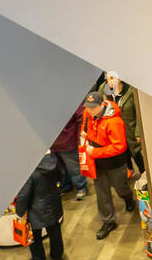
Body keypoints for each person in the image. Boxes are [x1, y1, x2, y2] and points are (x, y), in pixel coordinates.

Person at [81, 90, 135, 239]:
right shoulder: (88, 115)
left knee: (120, 187)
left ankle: (128, 197)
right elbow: (85, 129)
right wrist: (84, 135)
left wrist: (96, 152)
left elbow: (119, 146)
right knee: (102, 192)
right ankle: (108, 221)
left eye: (92, 107)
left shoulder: (114, 121)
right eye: (87, 107)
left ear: (101, 105)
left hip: (115, 163)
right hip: (96, 163)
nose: (89, 110)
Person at [14, 152, 66, 260]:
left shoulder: (30, 171)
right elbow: (61, 176)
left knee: (35, 237)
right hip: (53, 203)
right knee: (55, 230)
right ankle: (57, 256)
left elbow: (23, 195)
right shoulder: (53, 161)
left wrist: (19, 212)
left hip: (35, 209)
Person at [98, 72, 142, 172]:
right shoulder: (103, 89)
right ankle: (129, 170)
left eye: (113, 78)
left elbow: (139, 113)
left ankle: (145, 175)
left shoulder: (131, 91)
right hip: (115, 132)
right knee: (123, 155)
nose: (110, 82)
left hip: (130, 130)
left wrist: (138, 132)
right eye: (108, 79)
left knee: (137, 155)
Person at [50, 102, 88, 200]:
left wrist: (80, 137)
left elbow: (81, 117)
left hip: (69, 142)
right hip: (53, 144)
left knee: (74, 168)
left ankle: (81, 187)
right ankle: (66, 186)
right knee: (61, 169)